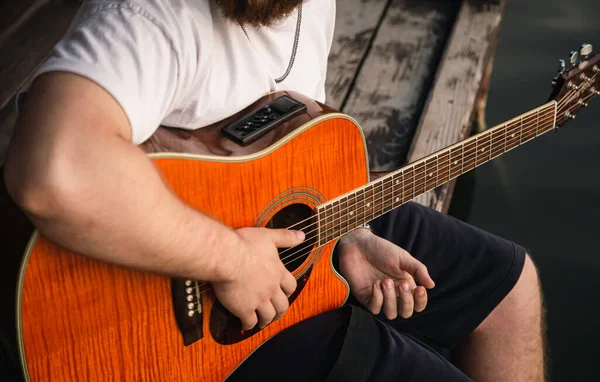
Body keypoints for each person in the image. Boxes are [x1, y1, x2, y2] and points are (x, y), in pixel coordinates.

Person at [3, 0, 545, 380]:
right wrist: (232, 260)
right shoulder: (151, 16)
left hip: (298, 216)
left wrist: (348, 236)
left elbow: (297, 143)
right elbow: (57, 169)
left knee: (510, 284)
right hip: (164, 321)